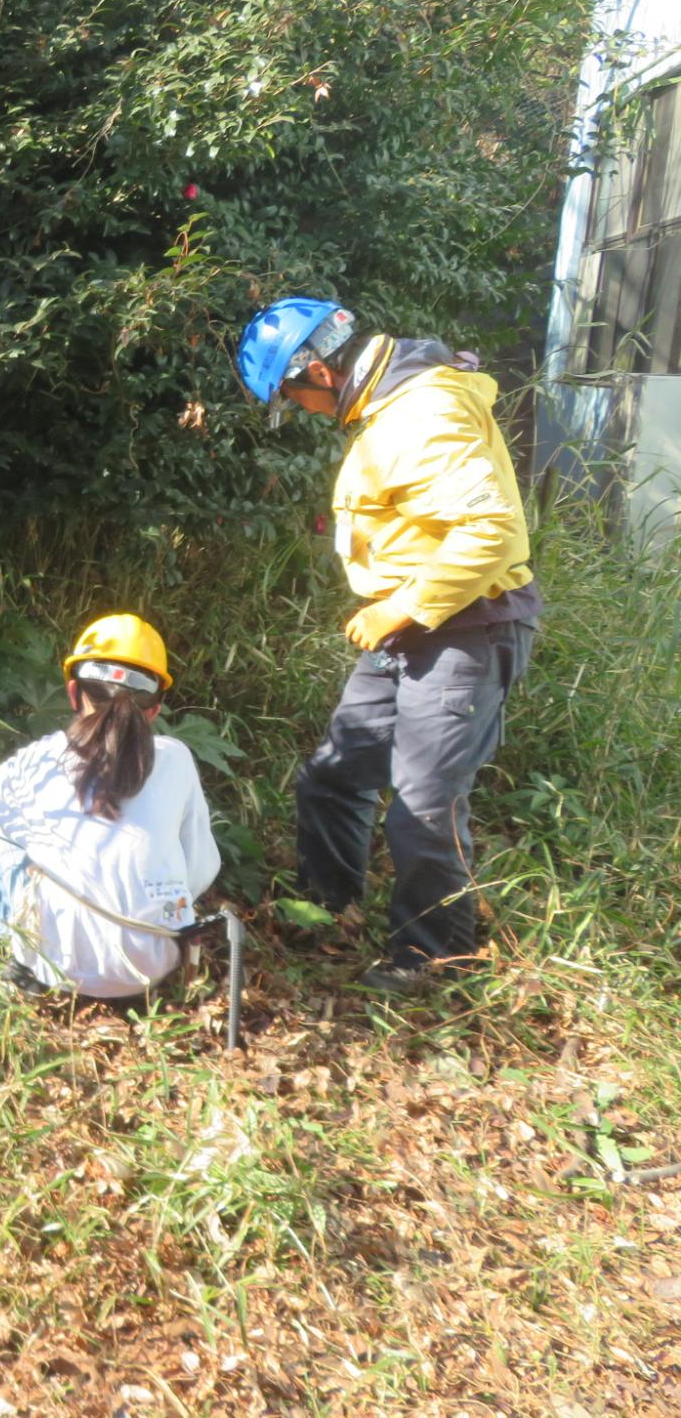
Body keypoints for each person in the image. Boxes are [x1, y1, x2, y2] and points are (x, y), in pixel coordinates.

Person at [237, 297, 541, 992]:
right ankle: (327, 913)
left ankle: (433, 962)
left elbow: (491, 531)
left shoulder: (422, 412)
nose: (305, 410)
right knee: (334, 775)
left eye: (294, 395)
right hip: (414, 625)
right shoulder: (394, 405)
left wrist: (402, 605)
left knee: (424, 805)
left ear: (317, 368)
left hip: (463, 626)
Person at [0, 614, 221, 1001]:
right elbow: (201, 866)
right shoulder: (176, 757)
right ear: (154, 709)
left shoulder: (42, 757)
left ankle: (21, 962)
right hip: (151, 965)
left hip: (54, 966)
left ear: (72, 691)